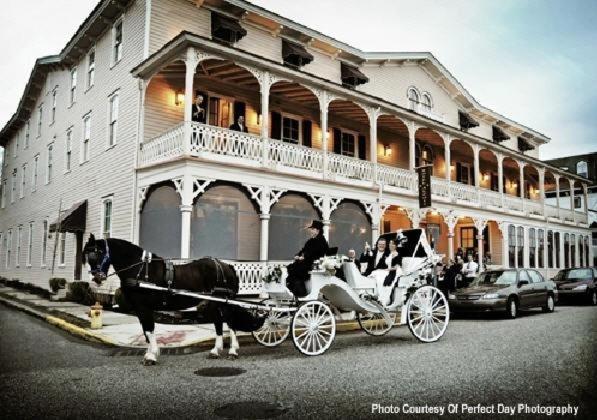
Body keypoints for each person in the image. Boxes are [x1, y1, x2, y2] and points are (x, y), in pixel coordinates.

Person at [286, 220, 329, 297]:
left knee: (296, 270)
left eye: (312, 229)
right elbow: (303, 250)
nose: (311, 231)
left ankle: (301, 292)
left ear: (317, 230)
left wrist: (304, 257)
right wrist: (298, 255)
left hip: (313, 264)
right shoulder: (311, 240)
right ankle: (294, 289)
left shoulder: (321, 241)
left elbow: (317, 253)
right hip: (306, 262)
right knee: (291, 268)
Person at [377, 238, 404, 306]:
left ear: (395, 246)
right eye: (390, 244)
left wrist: (387, 270)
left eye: (392, 244)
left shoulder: (398, 255)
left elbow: (397, 267)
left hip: (393, 272)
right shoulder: (389, 254)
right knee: (377, 275)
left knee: (385, 280)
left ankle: (385, 300)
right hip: (387, 271)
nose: (390, 245)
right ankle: (380, 298)